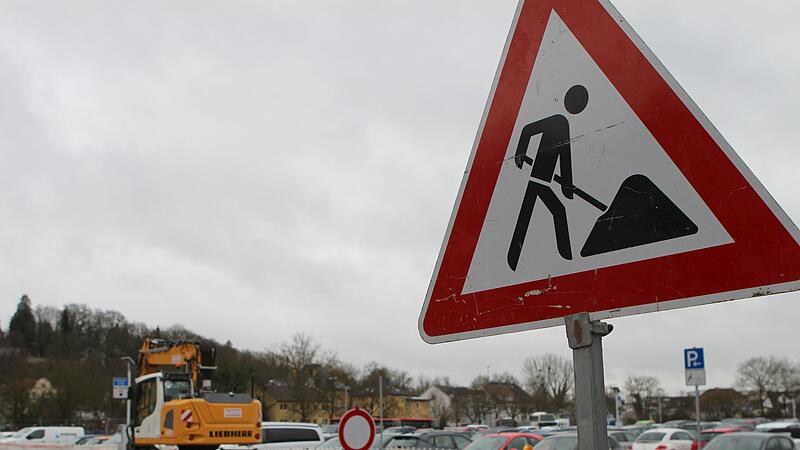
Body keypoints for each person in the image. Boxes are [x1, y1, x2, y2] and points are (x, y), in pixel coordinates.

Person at [507, 84, 589, 270]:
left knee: (542, 213)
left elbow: (564, 156)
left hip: (543, 181)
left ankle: (566, 257)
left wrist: (566, 185)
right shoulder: (557, 121)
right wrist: (520, 152)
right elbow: (527, 130)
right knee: (541, 214)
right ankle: (565, 257)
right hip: (536, 179)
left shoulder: (563, 124)